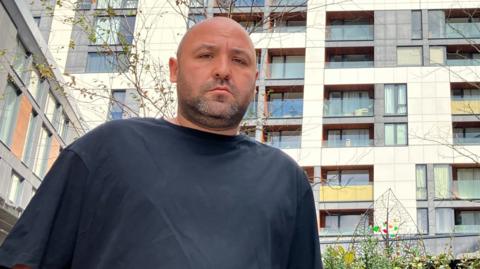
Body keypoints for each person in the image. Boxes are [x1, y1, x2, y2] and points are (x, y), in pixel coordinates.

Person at [0, 17, 322, 269]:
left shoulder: (286, 180)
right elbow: (27, 260)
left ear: (254, 79)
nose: (223, 70)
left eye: (239, 61)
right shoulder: (106, 150)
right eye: (206, 55)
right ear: (174, 69)